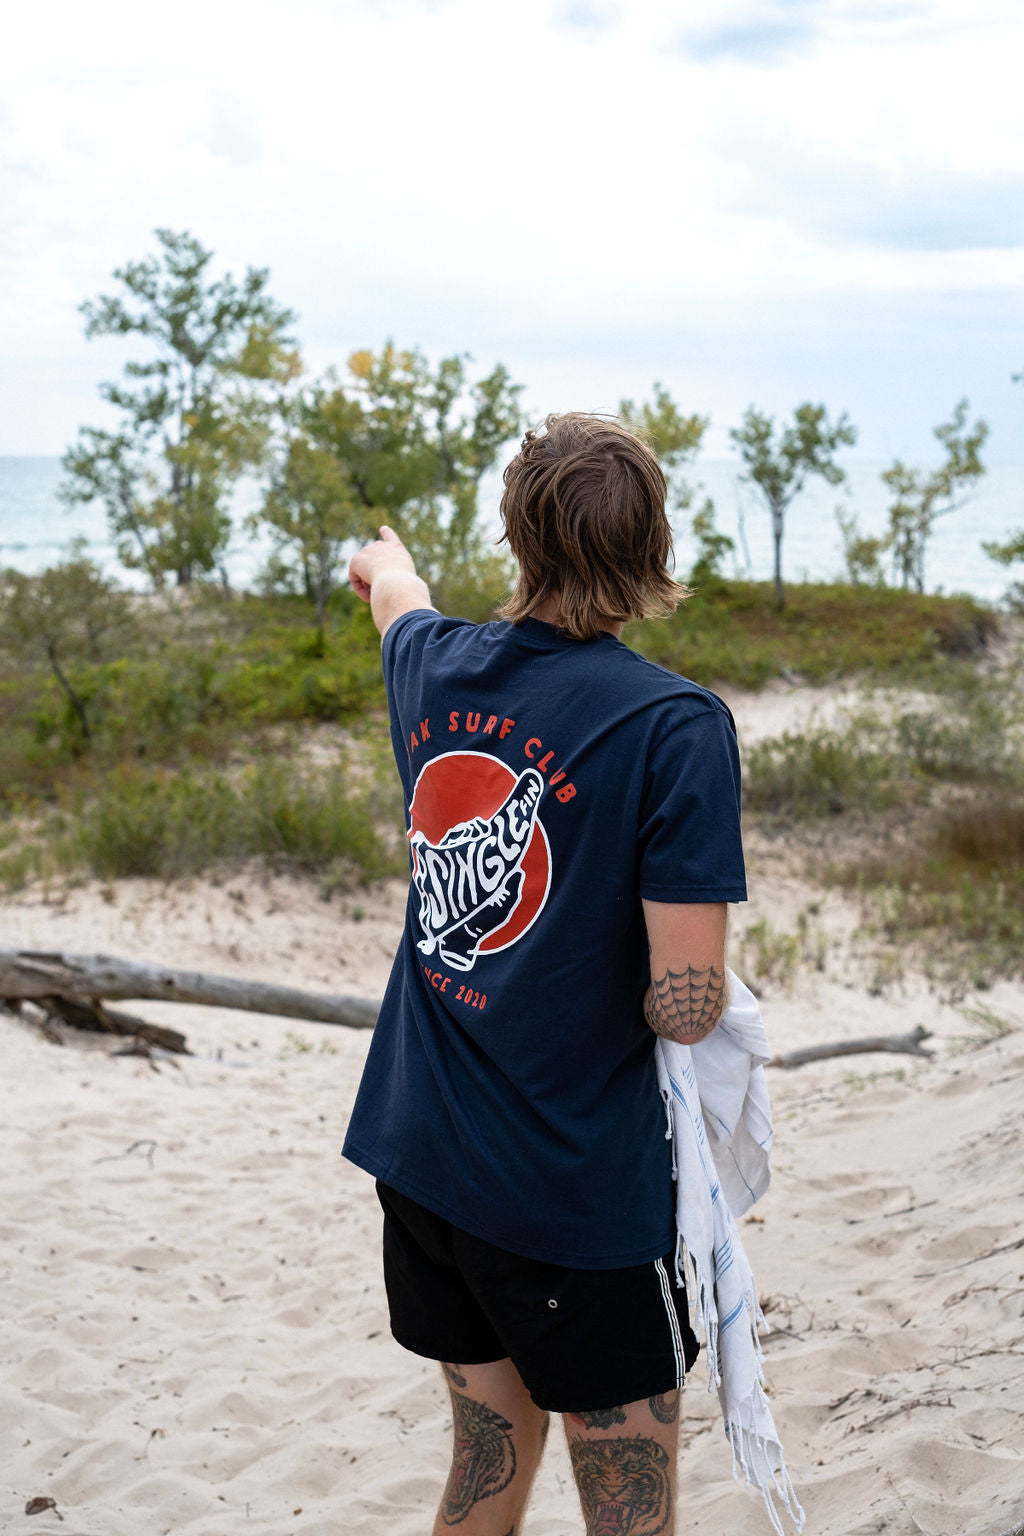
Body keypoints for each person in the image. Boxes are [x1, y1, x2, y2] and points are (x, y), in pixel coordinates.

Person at [343, 411, 747, 1536]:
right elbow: (686, 1004)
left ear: (519, 539)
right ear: (651, 542)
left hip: (422, 1159)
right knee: (630, 1516)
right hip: (569, 1193)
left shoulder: (432, 670)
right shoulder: (676, 726)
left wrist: (387, 561)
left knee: (485, 1467)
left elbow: (396, 601)